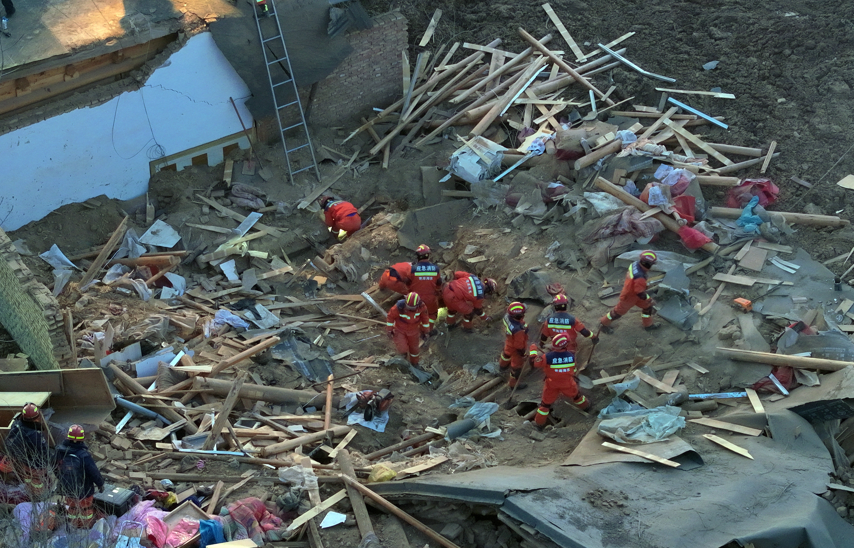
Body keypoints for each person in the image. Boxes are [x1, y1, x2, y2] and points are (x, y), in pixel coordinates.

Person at [530, 334, 591, 428]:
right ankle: (586, 407)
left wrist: (533, 351)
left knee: (545, 405)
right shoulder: (571, 356)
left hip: (551, 384)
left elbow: (535, 363)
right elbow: (573, 369)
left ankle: (539, 424)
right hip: (568, 382)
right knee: (576, 396)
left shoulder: (547, 357)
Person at [55, 425, 104, 528]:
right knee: (86, 510)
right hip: (84, 490)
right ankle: (86, 528)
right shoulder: (84, 455)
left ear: (68, 437)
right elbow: (93, 472)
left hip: (68, 489)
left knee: (72, 509)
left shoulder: (60, 451)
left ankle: (74, 527)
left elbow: (54, 467)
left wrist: (61, 478)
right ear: (82, 438)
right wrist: (100, 484)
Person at [600, 250, 661, 332]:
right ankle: (603, 324)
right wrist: (650, 299)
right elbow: (640, 293)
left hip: (633, 292)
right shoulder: (640, 277)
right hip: (629, 297)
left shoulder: (634, 264)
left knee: (647, 307)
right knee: (617, 313)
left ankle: (648, 325)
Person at [4, 403, 53, 500]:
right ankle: (40, 497)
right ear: (37, 417)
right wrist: (49, 460)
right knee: (38, 481)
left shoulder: (17, 425)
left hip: (23, 461)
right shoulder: (35, 435)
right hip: (35, 464)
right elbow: (43, 451)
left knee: (28, 478)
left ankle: (30, 493)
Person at [386, 292, 431, 366]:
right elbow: (390, 317)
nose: (410, 309)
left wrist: (426, 331)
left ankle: (415, 364)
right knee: (402, 348)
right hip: (400, 330)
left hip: (414, 331)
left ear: (417, 304)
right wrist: (389, 330)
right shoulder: (399, 307)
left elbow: (425, 319)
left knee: (414, 350)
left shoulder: (422, 307)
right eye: (408, 307)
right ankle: (403, 361)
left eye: (412, 308)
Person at [407, 245, 442, 330]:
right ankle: (428, 330)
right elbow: (439, 283)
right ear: (428, 255)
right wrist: (437, 291)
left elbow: (407, 283)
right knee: (432, 314)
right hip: (431, 298)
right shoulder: (435, 268)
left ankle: (416, 329)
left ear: (418, 256)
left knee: (415, 314)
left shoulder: (412, 269)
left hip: (416, 299)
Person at [499, 302, 531, 389]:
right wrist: (523, 355)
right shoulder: (519, 331)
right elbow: (519, 346)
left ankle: (502, 367)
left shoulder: (507, 317)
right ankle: (513, 384)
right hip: (516, 347)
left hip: (509, 341)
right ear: (520, 316)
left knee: (506, 354)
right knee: (516, 367)